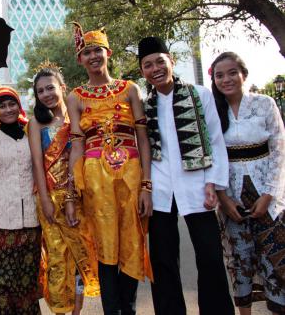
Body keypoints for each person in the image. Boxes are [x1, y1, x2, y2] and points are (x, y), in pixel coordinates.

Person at [139, 36, 234, 315]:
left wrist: (212, 183)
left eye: (159, 61)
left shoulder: (200, 95)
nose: (155, 68)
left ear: (171, 61)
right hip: (161, 192)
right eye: (147, 65)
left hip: (197, 187)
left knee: (210, 258)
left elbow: (215, 142)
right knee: (164, 263)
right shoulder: (145, 105)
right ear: (142, 71)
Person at [66, 22, 153, 315]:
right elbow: (76, 145)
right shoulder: (76, 96)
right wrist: (71, 193)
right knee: (105, 246)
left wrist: (146, 185)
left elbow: (142, 138)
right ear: (80, 59)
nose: (93, 57)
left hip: (130, 174)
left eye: (98, 51)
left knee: (131, 240)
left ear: (108, 53)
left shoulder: (130, 89)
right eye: (87, 52)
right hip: (95, 179)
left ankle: (127, 309)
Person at [209, 52, 285, 314]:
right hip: (232, 197)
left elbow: (279, 149)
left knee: (275, 259)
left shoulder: (265, 104)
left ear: (243, 74)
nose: (226, 79)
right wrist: (222, 197)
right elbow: (212, 158)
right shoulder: (212, 111)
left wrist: (270, 194)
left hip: (267, 194)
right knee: (239, 260)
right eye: (220, 75)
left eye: (232, 73)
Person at [27, 61, 100, 314]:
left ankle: (76, 311)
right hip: (48, 196)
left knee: (81, 257)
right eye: (41, 91)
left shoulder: (77, 117)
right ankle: (60, 310)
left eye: (50, 88)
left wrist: (72, 195)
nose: (46, 94)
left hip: (78, 196)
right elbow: (37, 163)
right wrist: (45, 200)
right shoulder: (36, 123)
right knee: (57, 256)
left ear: (62, 87)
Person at [0, 86, 41, 314]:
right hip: (1, 218)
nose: (8, 109)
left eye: (11, 104)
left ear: (19, 105)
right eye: (2, 106)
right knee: (1, 280)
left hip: (31, 219)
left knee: (26, 280)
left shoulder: (30, 134)